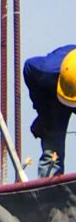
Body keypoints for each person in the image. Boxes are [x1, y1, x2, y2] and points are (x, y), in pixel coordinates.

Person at [24, 44, 76, 177]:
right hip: (54, 96)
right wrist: (43, 113)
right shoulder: (46, 70)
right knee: (53, 153)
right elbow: (28, 68)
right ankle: (50, 193)